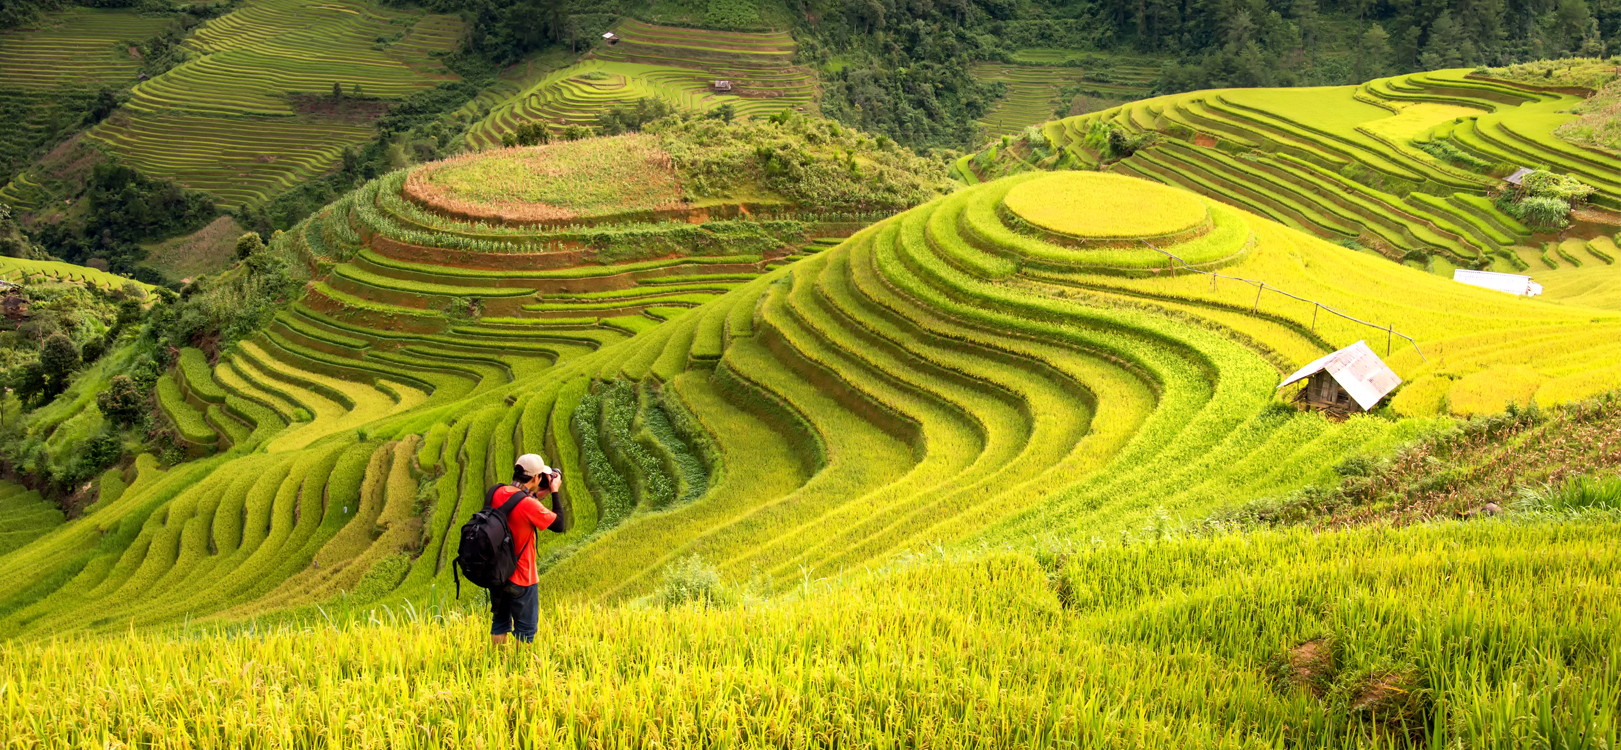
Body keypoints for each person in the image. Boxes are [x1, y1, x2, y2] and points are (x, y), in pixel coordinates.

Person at [488, 453, 568, 645]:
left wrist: (536, 494)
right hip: (522, 576)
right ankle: (520, 663)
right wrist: (554, 490)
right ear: (536, 478)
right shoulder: (529, 505)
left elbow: (515, 502)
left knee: (500, 622)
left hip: (497, 573)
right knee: (525, 630)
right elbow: (559, 525)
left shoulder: (496, 492)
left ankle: (495, 659)